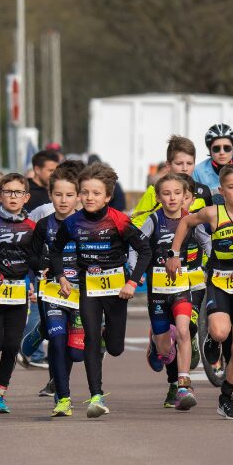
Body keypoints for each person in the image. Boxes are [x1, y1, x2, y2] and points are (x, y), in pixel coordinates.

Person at [49, 163, 151, 419]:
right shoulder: (73, 222)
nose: (89, 198)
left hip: (117, 290)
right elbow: (55, 250)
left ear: (107, 196)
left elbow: (145, 251)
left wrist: (132, 282)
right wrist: (61, 275)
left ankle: (108, 336)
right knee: (90, 341)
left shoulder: (119, 220)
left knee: (115, 348)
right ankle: (96, 395)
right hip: (88, 289)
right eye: (85, 192)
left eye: (96, 193)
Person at [167, 163, 233, 420]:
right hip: (219, 282)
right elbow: (185, 221)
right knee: (221, 332)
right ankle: (211, 339)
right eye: (231, 187)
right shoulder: (213, 212)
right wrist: (174, 254)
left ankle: (226, 398)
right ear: (221, 190)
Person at [26, 161, 87, 416]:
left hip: (81, 294)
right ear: (50, 195)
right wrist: (46, 268)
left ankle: (41, 330)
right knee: (58, 342)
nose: (63, 201)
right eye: (58, 195)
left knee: (76, 353)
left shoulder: (86, 223)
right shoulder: (44, 225)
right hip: (51, 291)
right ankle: (63, 398)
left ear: (78, 197)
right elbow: (32, 256)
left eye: (69, 195)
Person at [0, 172, 38, 415]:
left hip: (18, 292)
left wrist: (35, 284)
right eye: (8, 192)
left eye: (18, 192)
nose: (13, 197)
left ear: (26, 197)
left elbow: (36, 259)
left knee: (12, 345)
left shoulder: (32, 227)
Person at [128, 136, 212, 226]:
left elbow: (212, 223)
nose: (185, 168)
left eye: (189, 163)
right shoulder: (154, 191)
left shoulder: (204, 191)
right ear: (168, 165)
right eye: (179, 163)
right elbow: (136, 223)